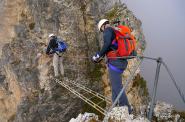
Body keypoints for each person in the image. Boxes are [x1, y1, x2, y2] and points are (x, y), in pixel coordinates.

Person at [92, 19, 132, 113]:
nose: (102, 31)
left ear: (103, 26)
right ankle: (115, 106)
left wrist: (97, 55)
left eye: (101, 30)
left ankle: (127, 110)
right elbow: (111, 47)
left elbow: (107, 44)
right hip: (120, 61)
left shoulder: (108, 30)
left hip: (115, 62)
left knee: (117, 87)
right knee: (115, 86)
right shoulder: (115, 31)